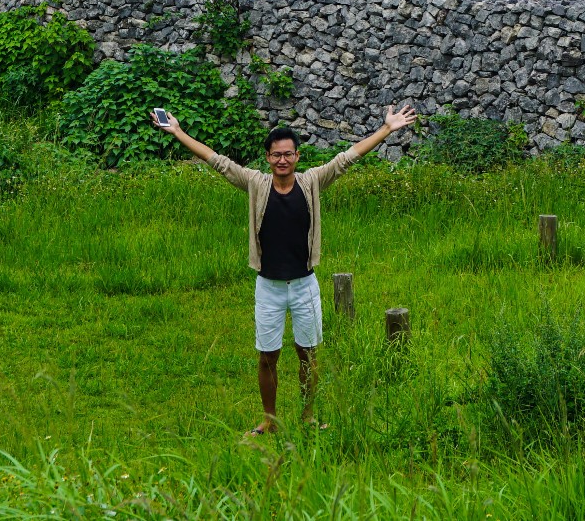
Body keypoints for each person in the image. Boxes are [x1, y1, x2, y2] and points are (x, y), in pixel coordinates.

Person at [154, 103, 418, 435]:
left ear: (297, 157)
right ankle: (270, 419)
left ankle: (307, 417)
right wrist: (177, 132)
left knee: (308, 354)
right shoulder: (255, 183)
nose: (282, 160)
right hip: (269, 287)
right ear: (268, 158)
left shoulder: (311, 182)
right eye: (276, 154)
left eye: (288, 154)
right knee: (267, 356)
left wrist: (387, 129)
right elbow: (218, 162)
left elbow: (347, 158)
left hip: (305, 284)